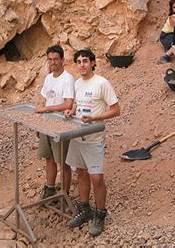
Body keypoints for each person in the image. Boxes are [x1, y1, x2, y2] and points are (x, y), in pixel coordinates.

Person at [64, 48, 120, 237]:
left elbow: (116, 110)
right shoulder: (78, 83)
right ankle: (85, 210)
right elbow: (77, 105)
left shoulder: (102, 83)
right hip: (77, 136)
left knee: (96, 178)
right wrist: (72, 111)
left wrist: (96, 117)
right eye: (79, 62)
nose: (82, 65)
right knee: (80, 173)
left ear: (93, 63)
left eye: (85, 61)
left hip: (94, 138)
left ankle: (100, 214)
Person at [34, 45, 75, 199]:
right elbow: (44, 100)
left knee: (63, 161)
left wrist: (46, 110)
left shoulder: (67, 79)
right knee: (49, 157)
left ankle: (65, 194)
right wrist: (40, 123)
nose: (53, 62)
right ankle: (50, 188)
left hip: (60, 125)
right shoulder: (48, 78)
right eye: (50, 59)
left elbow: (68, 104)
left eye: (56, 59)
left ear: (62, 60)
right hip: (46, 124)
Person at [156, 0, 175, 64]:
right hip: (166, 36)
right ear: (172, 9)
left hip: (172, 34)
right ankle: (165, 56)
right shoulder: (173, 17)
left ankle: (170, 49)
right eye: (174, 7)